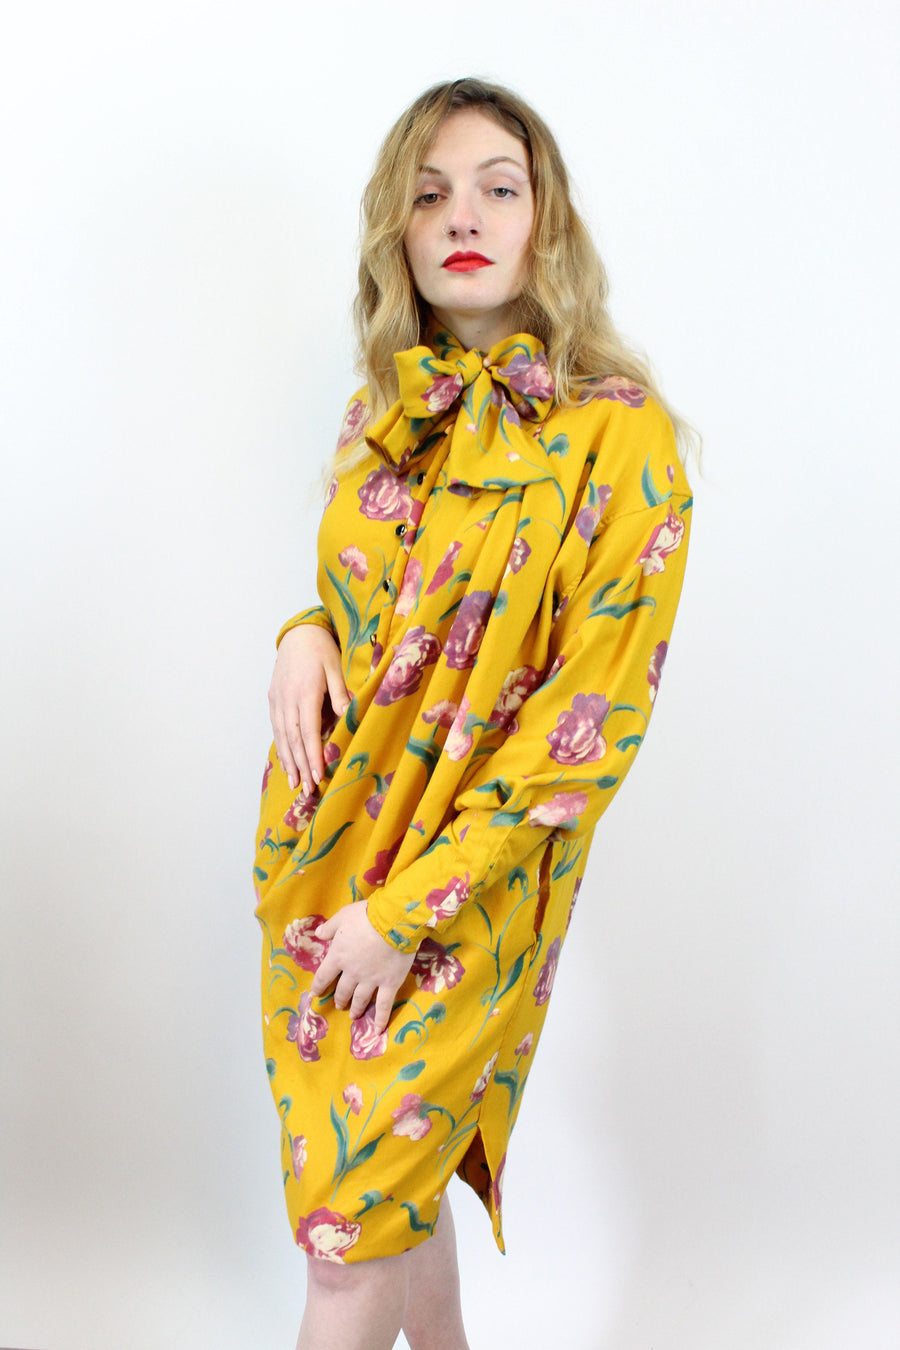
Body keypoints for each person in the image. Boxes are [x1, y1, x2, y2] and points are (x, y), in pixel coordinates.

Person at [254, 77, 693, 1350]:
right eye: (429, 193)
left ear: (547, 217)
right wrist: (301, 630)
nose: (463, 216)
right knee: (393, 1175)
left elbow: (592, 721)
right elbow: (377, 612)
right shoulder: (380, 412)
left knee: (346, 1239)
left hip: (465, 893)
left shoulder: (622, 437)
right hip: (321, 859)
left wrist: (409, 913)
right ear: (394, 228)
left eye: (499, 187)